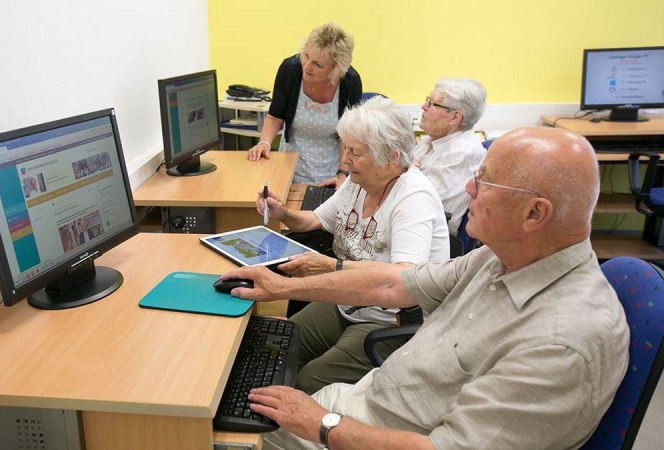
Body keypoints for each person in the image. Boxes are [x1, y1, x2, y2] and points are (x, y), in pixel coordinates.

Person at [222, 127, 630, 450]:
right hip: (374, 399)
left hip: (379, 433)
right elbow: (393, 283)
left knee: (224, 431)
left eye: (485, 184)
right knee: (237, 404)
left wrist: (321, 423)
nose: (468, 190)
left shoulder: (561, 343)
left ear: (534, 213)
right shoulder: (504, 256)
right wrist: (279, 285)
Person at [258, 96, 449, 394]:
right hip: (348, 300)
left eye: (355, 152)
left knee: (306, 381)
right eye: (344, 148)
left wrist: (333, 266)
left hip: (388, 318)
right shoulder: (357, 181)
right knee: (273, 344)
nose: (344, 160)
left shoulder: (414, 199)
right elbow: (314, 221)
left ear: (391, 157)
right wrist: (284, 213)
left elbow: (402, 278)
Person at [247, 22, 362, 188]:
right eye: (306, 56)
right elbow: (275, 117)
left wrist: (342, 174)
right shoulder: (290, 70)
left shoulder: (350, 82)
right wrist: (264, 143)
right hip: (290, 163)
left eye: (318, 64)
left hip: (331, 170)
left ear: (335, 69)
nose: (307, 66)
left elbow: (349, 136)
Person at [414, 78, 487, 234]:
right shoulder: (434, 138)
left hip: (428, 237)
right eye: (428, 100)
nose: (424, 106)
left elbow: (422, 204)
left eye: (433, 104)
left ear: (455, 117)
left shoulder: (462, 152)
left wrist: (407, 172)